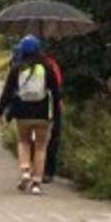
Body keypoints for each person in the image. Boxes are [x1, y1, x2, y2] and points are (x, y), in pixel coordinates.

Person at [0, 34, 61, 195]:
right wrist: (56, 114)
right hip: (43, 113)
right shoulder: (47, 67)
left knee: (24, 142)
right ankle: (36, 183)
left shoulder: (17, 68)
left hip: (23, 113)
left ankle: (25, 172)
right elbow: (56, 93)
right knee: (41, 148)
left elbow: (7, 93)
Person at [42, 50, 64, 183]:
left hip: (31, 108)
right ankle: (48, 171)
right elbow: (57, 87)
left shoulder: (24, 65)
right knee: (53, 137)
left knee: (32, 140)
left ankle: (32, 169)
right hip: (52, 108)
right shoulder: (52, 65)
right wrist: (59, 101)